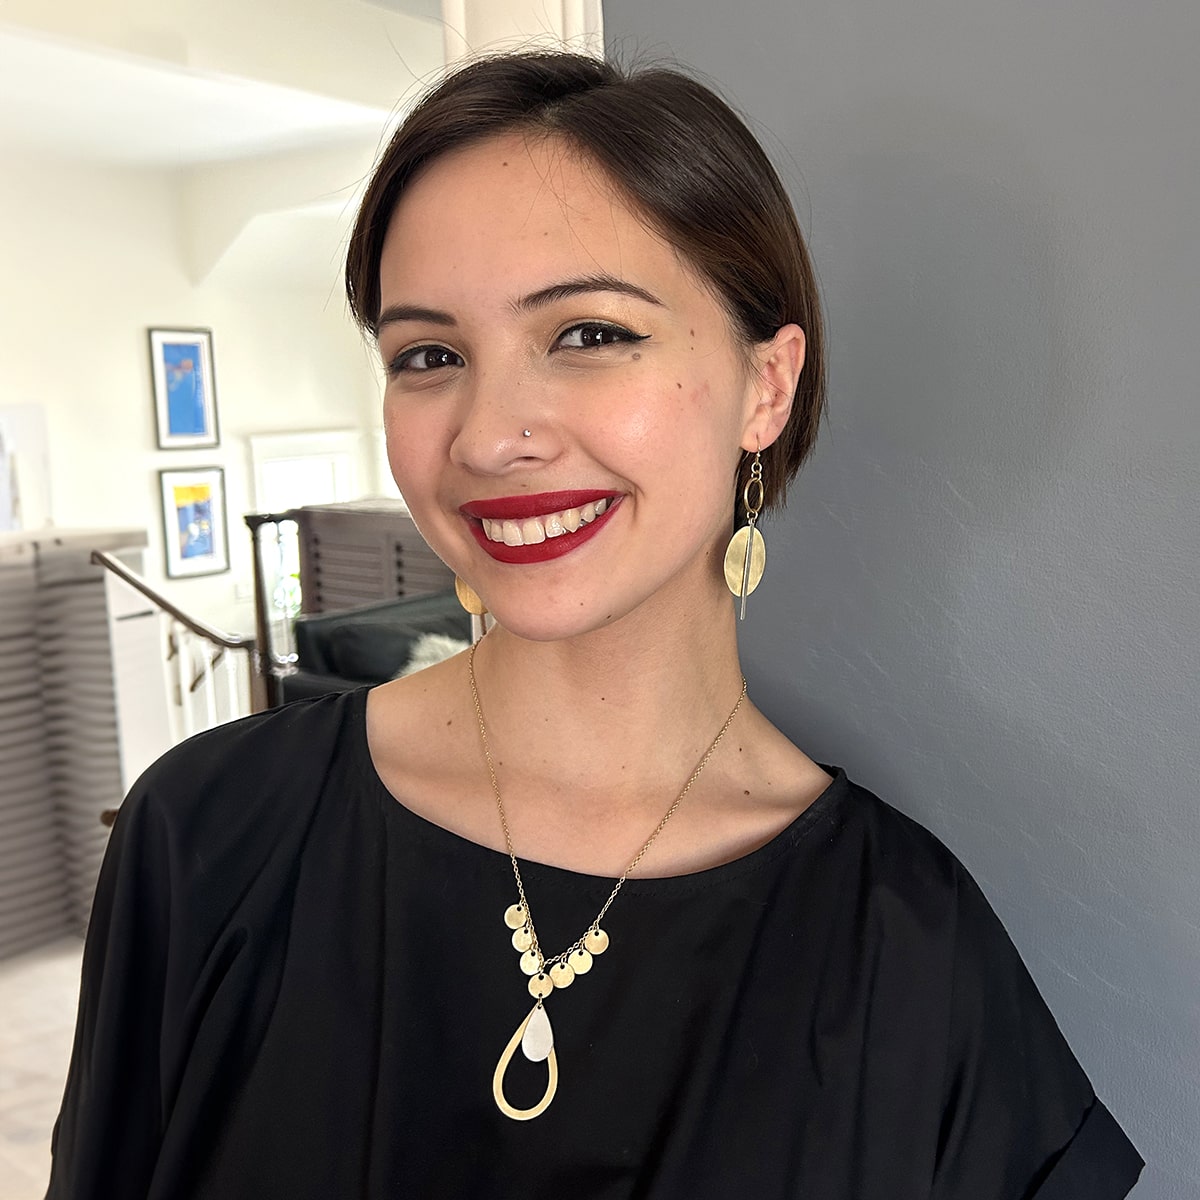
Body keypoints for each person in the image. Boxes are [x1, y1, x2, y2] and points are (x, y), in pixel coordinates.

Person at [47, 51, 1143, 1199]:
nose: (488, 434)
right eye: (429, 356)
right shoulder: (207, 836)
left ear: (765, 387)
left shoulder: (909, 955)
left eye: (587, 334)